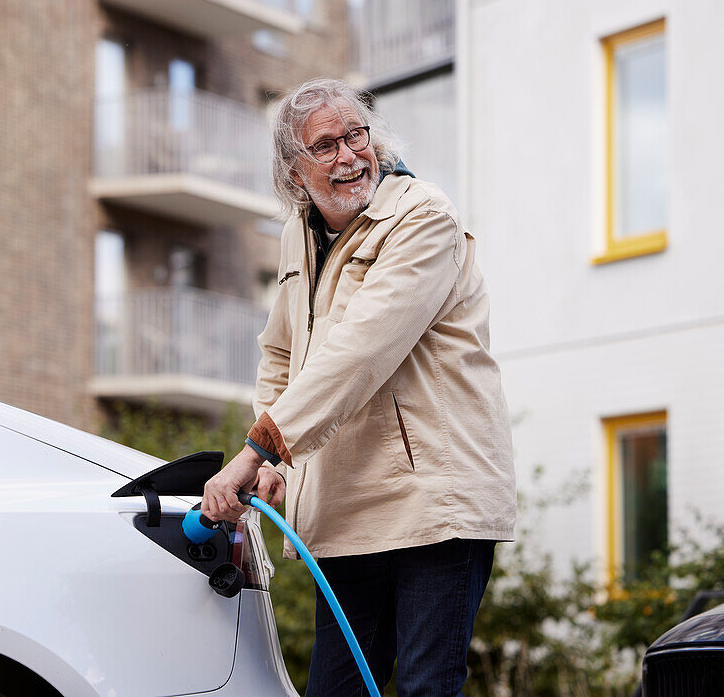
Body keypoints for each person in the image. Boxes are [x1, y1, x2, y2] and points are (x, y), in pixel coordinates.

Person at [201, 78, 516, 696]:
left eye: (356, 135)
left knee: (426, 687)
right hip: (349, 502)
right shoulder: (301, 233)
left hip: (435, 501)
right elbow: (282, 351)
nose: (349, 156)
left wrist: (261, 447)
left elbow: (359, 352)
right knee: (335, 689)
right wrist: (278, 466)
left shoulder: (423, 218)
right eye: (326, 146)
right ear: (295, 173)